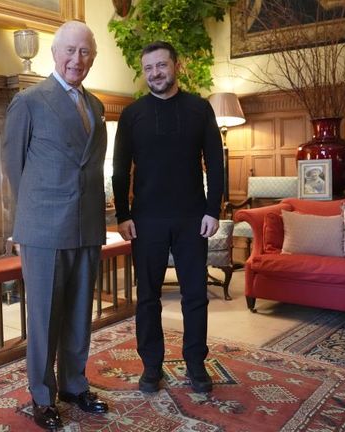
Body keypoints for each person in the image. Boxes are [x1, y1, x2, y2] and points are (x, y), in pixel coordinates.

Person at [2, 20, 109, 430]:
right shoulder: (28, 101)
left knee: (81, 312)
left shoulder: (96, 107)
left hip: (87, 226)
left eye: (84, 52)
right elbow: (15, 169)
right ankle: (42, 396)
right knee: (45, 317)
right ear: (54, 53)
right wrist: (26, 222)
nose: (76, 59)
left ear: (92, 59)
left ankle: (74, 385)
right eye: (69, 50)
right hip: (44, 228)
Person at [112, 41, 224, 394]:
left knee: (196, 296)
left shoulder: (198, 108)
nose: (155, 73)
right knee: (147, 298)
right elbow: (119, 170)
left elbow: (216, 163)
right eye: (148, 68)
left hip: (193, 217)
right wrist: (122, 215)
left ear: (175, 65)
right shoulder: (132, 115)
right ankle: (151, 367)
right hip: (146, 221)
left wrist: (212, 209)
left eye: (161, 65)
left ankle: (195, 365)